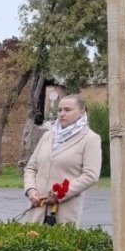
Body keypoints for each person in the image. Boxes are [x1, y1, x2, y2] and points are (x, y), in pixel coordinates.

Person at [22, 94, 102, 226]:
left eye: (67, 110)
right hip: (37, 209)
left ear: (82, 112)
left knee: (59, 239)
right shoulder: (47, 136)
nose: (62, 114)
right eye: (59, 110)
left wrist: (60, 194)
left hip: (63, 211)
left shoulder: (90, 139)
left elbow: (90, 175)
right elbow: (31, 168)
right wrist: (30, 189)